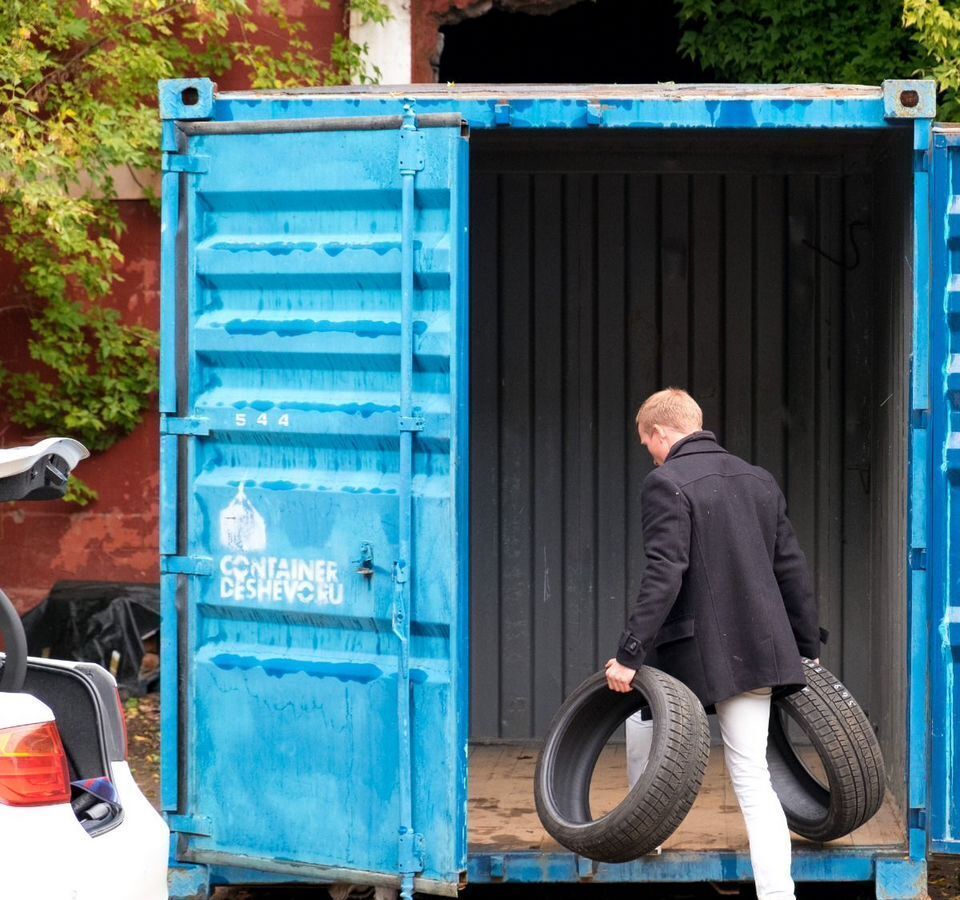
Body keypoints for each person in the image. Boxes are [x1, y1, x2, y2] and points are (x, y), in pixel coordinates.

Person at [605, 388, 820, 900]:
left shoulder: (666, 483)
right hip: (757, 651)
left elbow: (664, 574)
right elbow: (791, 569)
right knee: (751, 775)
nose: (650, 453)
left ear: (660, 433)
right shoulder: (759, 480)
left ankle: (645, 836)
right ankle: (778, 894)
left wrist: (630, 653)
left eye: (647, 443)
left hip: (691, 652)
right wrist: (806, 642)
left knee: (637, 708)